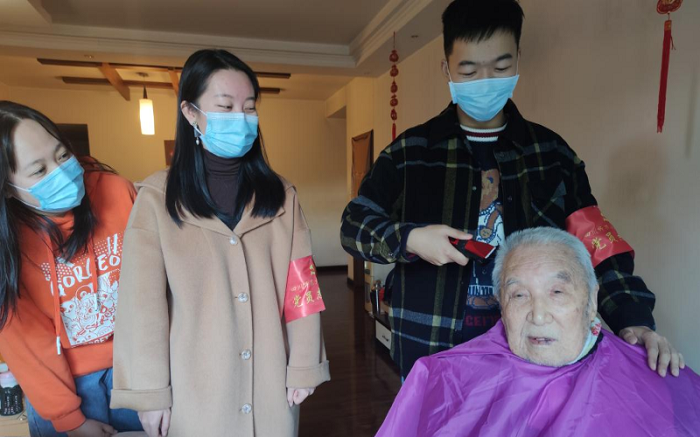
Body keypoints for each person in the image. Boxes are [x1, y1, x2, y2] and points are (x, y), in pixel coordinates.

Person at [340, 0, 681, 380]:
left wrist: (634, 318)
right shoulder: (410, 153)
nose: (485, 81)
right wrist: (410, 238)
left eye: (500, 68)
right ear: (447, 69)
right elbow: (354, 225)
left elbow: (597, 247)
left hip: (534, 355)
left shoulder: (552, 154)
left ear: (517, 60)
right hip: (432, 352)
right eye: (469, 71)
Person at [110, 49, 330, 437]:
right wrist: (149, 393)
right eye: (226, 107)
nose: (240, 119)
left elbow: (303, 287)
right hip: (194, 389)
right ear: (191, 113)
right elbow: (140, 305)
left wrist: (304, 362)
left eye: (249, 108)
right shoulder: (157, 199)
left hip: (271, 381)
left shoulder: (281, 196)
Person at [376, 227, 700, 437]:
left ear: (591, 301)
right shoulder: (440, 378)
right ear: (501, 304)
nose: (539, 315)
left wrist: (635, 319)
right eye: (519, 295)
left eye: (557, 292)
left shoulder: (661, 377)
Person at [0, 101, 142, 436]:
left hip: (138, 373)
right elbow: (25, 341)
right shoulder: (9, 244)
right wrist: (69, 418)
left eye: (63, 155)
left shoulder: (116, 191)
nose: (61, 173)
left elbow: (155, 291)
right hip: (60, 386)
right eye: (38, 171)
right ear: (7, 187)